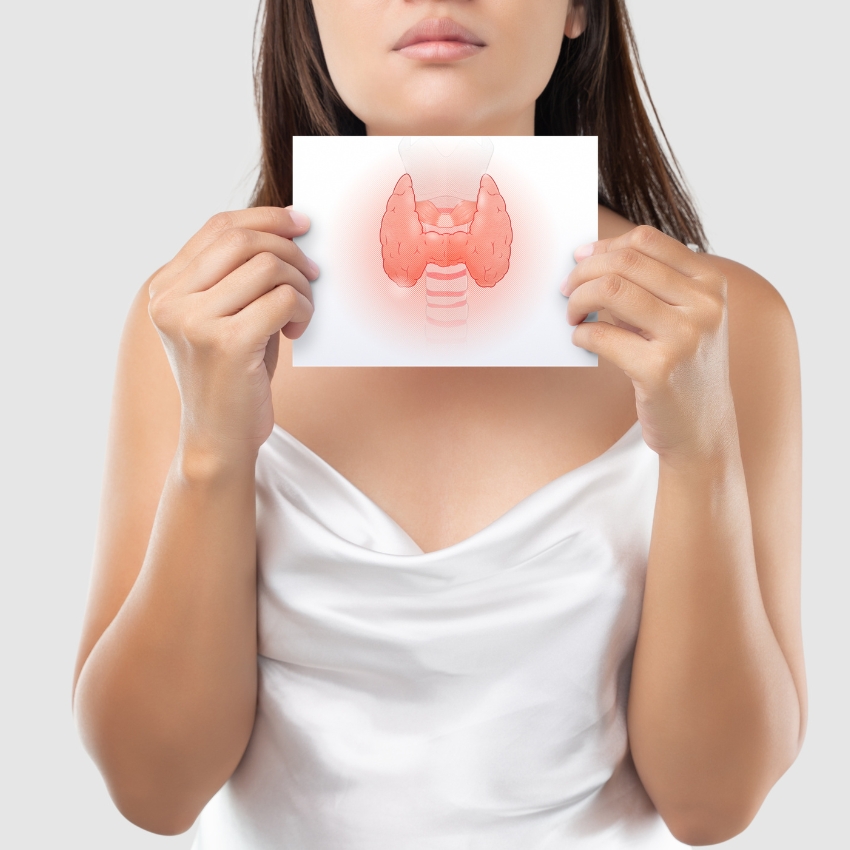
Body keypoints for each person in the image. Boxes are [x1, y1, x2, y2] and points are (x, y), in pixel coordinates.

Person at [72, 1, 806, 847]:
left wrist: (700, 456)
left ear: (577, 9)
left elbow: (714, 804)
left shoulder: (722, 327)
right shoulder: (198, 320)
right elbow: (151, 790)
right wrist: (211, 454)